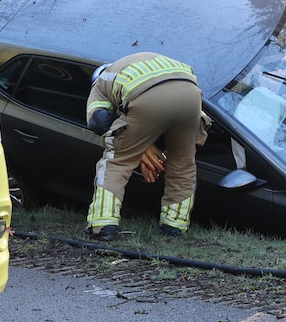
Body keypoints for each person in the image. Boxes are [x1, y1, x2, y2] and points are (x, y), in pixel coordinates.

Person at [84, 52, 206, 241]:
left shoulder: (100, 84)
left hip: (148, 97)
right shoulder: (135, 64)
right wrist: (146, 143)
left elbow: (98, 121)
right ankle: (175, 226)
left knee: (116, 162)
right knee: (183, 164)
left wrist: (132, 143)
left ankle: (102, 225)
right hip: (190, 94)